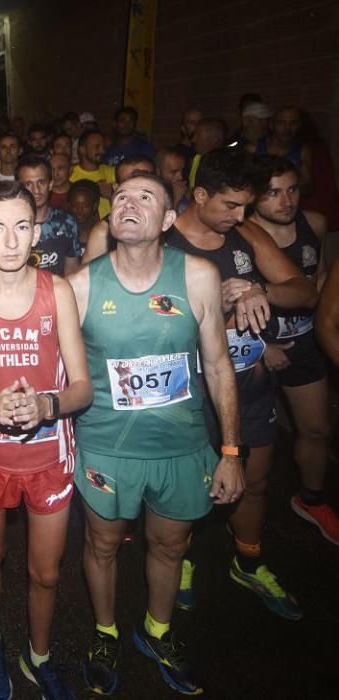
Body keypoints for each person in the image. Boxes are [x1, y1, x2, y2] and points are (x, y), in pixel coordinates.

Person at [68, 173, 245, 696]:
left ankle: (157, 631)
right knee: (101, 544)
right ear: (110, 216)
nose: (129, 202)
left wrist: (231, 451)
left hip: (181, 446)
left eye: (146, 197)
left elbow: (218, 366)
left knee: (170, 546)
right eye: (121, 196)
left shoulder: (197, 276)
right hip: (106, 446)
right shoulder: (79, 286)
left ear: (168, 220)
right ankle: (104, 633)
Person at [0, 180, 91, 700]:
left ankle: (39, 654)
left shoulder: (58, 291)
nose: (10, 240)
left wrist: (46, 405)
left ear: (36, 231)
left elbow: (82, 387)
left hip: (51, 452)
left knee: (46, 573)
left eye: (22, 227)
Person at [167, 149, 315, 620]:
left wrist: (259, 290)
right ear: (200, 194)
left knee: (254, 480)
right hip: (190, 394)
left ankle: (249, 559)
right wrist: (215, 305)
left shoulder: (245, 234)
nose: (241, 215)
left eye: (246, 205)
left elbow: (304, 290)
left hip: (250, 388)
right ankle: (180, 561)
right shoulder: (164, 244)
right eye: (231, 205)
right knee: (189, 489)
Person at [247, 156, 337, 544]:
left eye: (292, 189)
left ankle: (311, 500)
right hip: (254, 350)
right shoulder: (242, 233)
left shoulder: (314, 224)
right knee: (251, 450)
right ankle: (247, 522)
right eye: (273, 193)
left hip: (303, 342)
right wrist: (261, 345)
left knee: (317, 429)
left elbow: (316, 284)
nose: (286, 201)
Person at [16, 156, 82, 276]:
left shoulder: (67, 222)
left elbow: (72, 271)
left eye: (41, 182)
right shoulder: (10, 225)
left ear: (51, 184)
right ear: (19, 188)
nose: (36, 190)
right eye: (28, 184)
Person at [255, 106, 315, 197]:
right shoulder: (254, 148)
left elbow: (308, 186)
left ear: (299, 125)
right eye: (281, 123)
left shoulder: (303, 151)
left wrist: (288, 187)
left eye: (293, 123)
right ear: (271, 125)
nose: (287, 128)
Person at [69, 131, 113, 218]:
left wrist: (112, 194)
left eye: (103, 147)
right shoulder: (70, 174)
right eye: (97, 146)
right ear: (82, 150)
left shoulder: (113, 172)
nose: (102, 151)